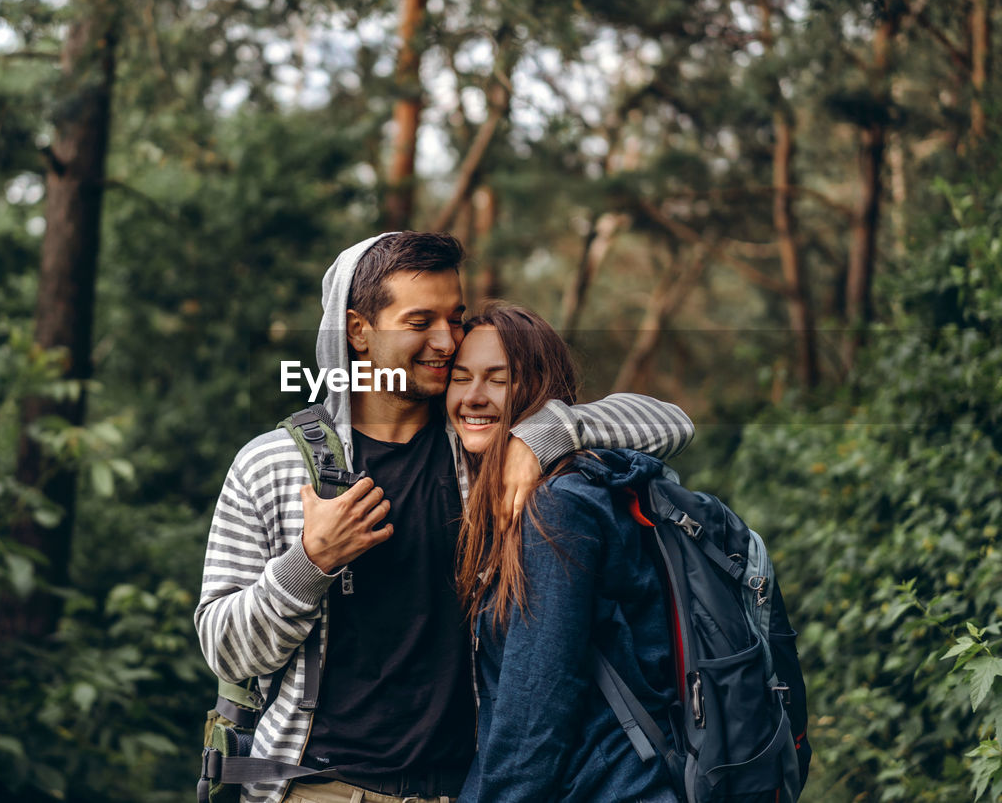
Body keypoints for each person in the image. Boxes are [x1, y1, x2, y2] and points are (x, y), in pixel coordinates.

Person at [195, 232, 694, 803]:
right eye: (419, 321)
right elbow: (226, 650)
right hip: (319, 791)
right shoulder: (272, 466)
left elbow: (669, 422)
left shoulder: (482, 449)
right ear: (358, 330)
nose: (446, 340)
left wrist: (543, 437)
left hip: (462, 788)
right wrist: (311, 562)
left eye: (454, 319)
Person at [448, 304, 681, 803]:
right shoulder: (498, 498)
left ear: (533, 387)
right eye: (460, 377)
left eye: (497, 379)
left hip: (607, 787)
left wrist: (538, 437)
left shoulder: (556, 505)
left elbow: (537, 707)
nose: (472, 396)